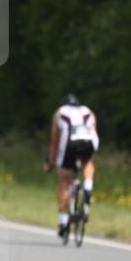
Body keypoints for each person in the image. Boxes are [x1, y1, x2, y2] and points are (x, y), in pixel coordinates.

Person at [44, 93, 99, 237]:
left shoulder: (59, 113)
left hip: (69, 144)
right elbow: (93, 132)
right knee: (88, 161)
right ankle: (88, 185)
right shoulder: (88, 111)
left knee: (64, 181)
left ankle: (63, 222)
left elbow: (55, 142)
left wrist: (50, 163)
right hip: (88, 142)